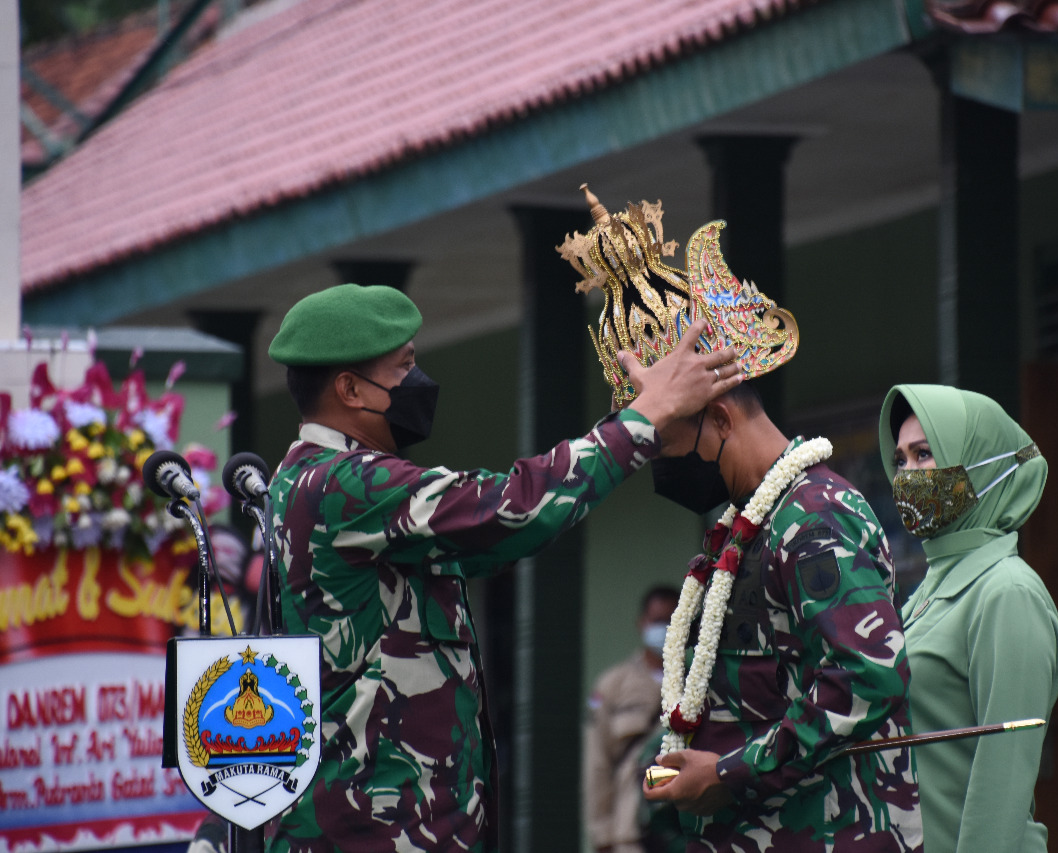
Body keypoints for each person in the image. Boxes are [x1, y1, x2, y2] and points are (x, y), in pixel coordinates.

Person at [263, 282, 741, 853]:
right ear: (349, 388)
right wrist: (647, 417)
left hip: (394, 821)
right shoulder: (341, 484)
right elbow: (513, 511)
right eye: (403, 366)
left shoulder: (312, 483)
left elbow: (492, 544)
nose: (418, 382)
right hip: (375, 829)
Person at [558, 187, 922, 852]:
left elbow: (868, 677)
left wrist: (729, 772)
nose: (652, 461)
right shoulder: (747, 524)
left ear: (720, 416)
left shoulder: (814, 518)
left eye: (663, 441)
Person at [878, 384, 1058, 853]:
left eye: (925, 454)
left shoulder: (1007, 593)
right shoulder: (929, 591)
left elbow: (1003, 775)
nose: (908, 475)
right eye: (900, 460)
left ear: (982, 463)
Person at [583, 585, 680, 853]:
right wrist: (602, 835)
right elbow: (598, 764)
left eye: (672, 620)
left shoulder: (699, 682)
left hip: (684, 831)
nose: (665, 629)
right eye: (658, 621)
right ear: (642, 623)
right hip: (630, 833)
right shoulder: (613, 685)